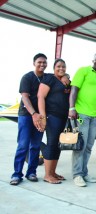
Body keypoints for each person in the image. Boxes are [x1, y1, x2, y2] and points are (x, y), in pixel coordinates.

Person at [69, 52, 96, 187]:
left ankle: (84, 173)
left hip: (94, 116)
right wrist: (72, 108)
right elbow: (74, 90)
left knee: (89, 146)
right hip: (82, 114)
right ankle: (77, 174)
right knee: (81, 145)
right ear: (93, 60)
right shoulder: (83, 70)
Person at [10, 53, 48, 185]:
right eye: (39, 62)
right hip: (26, 115)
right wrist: (34, 114)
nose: (42, 64)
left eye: (44, 62)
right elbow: (25, 97)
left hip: (41, 116)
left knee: (36, 146)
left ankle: (31, 172)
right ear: (34, 63)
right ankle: (16, 174)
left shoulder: (47, 78)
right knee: (23, 145)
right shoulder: (27, 77)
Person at [37, 59, 70, 184]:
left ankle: (53, 172)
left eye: (63, 66)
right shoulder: (49, 79)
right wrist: (43, 117)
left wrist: (66, 77)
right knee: (51, 143)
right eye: (58, 66)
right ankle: (47, 175)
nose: (61, 68)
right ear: (53, 68)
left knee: (58, 145)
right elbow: (41, 97)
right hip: (52, 116)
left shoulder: (65, 81)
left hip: (62, 117)